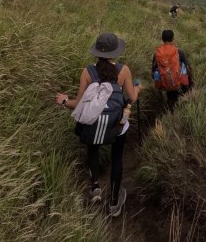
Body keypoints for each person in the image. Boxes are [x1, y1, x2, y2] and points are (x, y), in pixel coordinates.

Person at [55, 32, 141, 216]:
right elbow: (132, 98)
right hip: (116, 125)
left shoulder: (87, 72)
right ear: (115, 52)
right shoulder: (123, 70)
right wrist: (138, 88)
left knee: (93, 149)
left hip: (93, 125)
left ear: (96, 52)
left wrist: (63, 100)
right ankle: (114, 202)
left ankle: (95, 187)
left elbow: (77, 105)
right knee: (117, 157)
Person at [152, 29, 193, 112]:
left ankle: (168, 107)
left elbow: (153, 72)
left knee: (170, 96)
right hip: (177, 83)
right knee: (187, 71)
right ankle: (181, 104)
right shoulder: (180, 52)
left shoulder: (157, 54)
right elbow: (186, 68)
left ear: (162, 39)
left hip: (163, 84)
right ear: (173, 38)